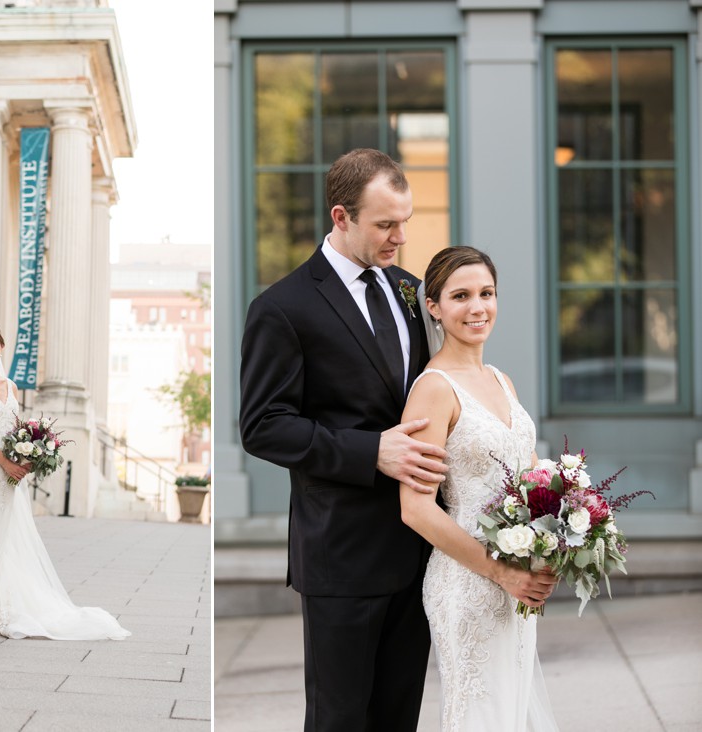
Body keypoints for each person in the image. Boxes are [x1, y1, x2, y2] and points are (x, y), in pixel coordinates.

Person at [240, 148, 449, 731]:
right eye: (385, 225)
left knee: (397, 717)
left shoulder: (410, 291)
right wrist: (370, 451)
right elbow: (262, 425)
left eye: (404, 221)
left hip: (418, 546)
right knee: (338, 720)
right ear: (341, 217)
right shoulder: (281, 308)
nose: (400, 237)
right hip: (342, 556)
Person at [399, 246, 559, 730]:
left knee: (511, 712)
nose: (477, 307)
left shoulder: (500, 379)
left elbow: (532, 481)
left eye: (486, 294)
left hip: (517, 580)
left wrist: (559, 539)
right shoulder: (432, 388)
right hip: (468, 582)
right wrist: (501, 573)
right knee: (482, 715)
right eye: (460, 296)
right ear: (435, 307)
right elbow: (416, 509)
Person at [0, 322, 130, 641]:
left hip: (9, 472)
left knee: (6, 538)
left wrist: (27, 453)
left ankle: (0, 604)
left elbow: (13, 429)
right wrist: (5, 462)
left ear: (2, 345)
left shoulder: (12, 386)